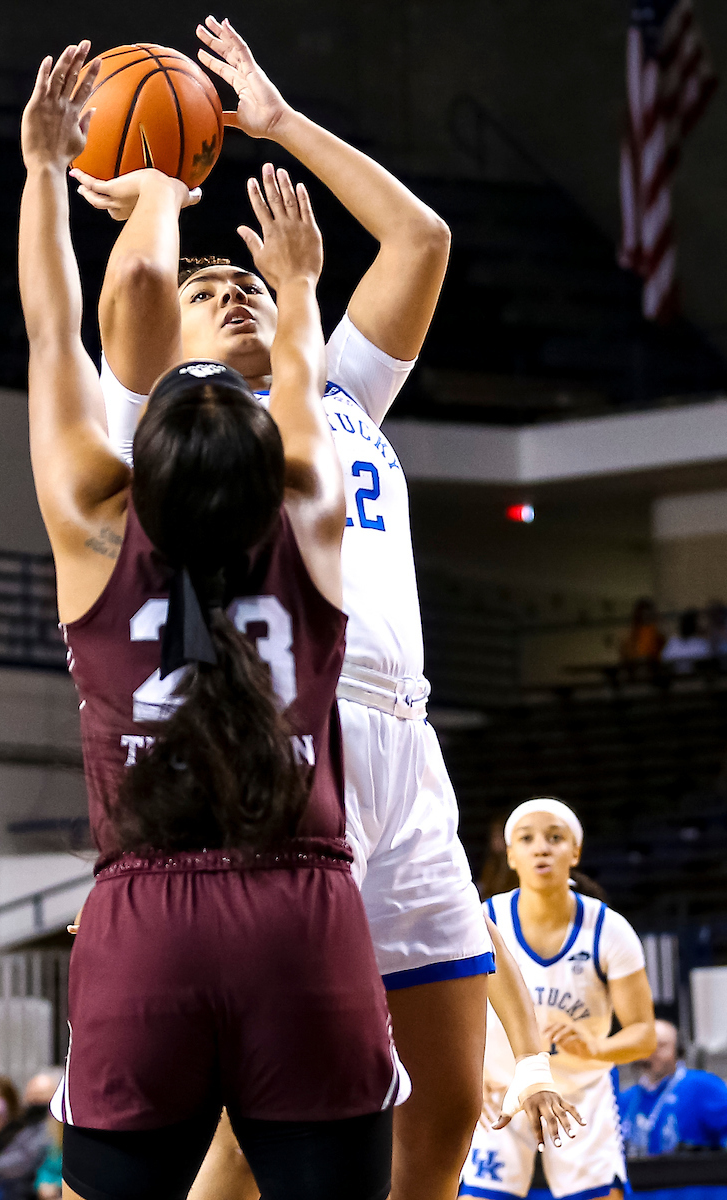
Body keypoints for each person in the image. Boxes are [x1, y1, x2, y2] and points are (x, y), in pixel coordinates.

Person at [72, 18, 493, 1200]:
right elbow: (134, 303)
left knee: (447, 1105)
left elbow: (421, 238)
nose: (234, 292)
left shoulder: (329, 394)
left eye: (247, 280)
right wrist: (157, 201)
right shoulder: (167, 419)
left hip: (403, 738)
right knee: (259, 1124)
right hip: (279, 743)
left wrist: (277, 124)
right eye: (209, 288)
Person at [19, 41, 405, 1200]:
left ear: (140, 456)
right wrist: (295, 290)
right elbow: (295, 392)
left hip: (146, 924)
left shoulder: (95, 523)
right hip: (305, 917)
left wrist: (70, 180)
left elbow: (59, 334)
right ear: (271, 454)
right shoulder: (309, 509)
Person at [461, 797, 657, 1200]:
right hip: (499, 1089)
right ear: (511, 855)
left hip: (580, 1092)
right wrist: (467, 1077)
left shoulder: (608, 929)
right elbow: (450, 1014)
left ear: (576, 851)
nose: (542, 848)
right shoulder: (483, 921)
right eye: (527, 839)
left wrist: (597, 1048)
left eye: (554, 838)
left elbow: (644, 1035)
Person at [620, 1020, 727, 1156]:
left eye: (661, 1046)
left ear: (678, 1051)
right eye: (646, 1046)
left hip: (691, 1174)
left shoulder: (703, 1086)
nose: (653, 1053)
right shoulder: (627, 1098)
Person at [0, 1071, 62, 1200]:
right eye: (31, 1095)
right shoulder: (26, 1123)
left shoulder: (52, 1127)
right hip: (11, 1184)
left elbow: (29, 1158)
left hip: (26, 1187)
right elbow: (13, 1150)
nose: (34, 1100)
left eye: (40, 1095)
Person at [620, 599, 665, 665]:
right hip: (635, 666)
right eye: (643, 613)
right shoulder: (631, 635)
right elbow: (626, 655)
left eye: (648, 614)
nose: (645, 616)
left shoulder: (657, 633)